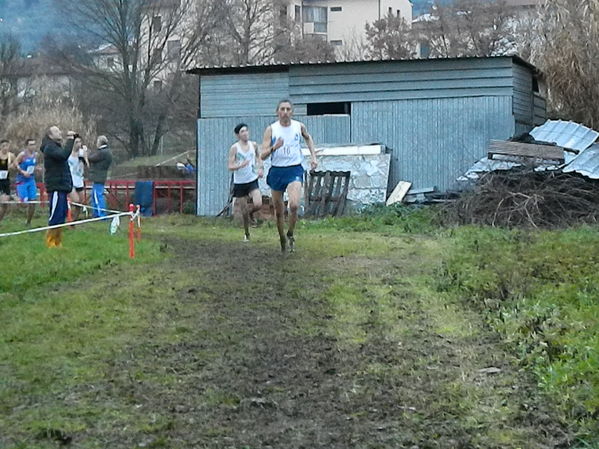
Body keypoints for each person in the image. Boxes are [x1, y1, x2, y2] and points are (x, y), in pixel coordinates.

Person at [261, 100, 318, 252]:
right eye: (282, 109)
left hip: (294, 169)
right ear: (277, 112)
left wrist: (313, 157)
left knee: (293, 205)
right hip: (277, 171)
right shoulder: (271, 129)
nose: (285, 112)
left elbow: (308, 138)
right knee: (279, 211)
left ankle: (290, 233)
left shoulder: (298, 126)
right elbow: (262, 155)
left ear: (292, 112)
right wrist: (274, 147)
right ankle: (281, 239)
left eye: (288, 109)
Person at [228, 123, 263, 241]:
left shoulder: (254, 145)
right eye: (242, 131)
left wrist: (260, 168)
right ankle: (247, 233)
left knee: (258, 203)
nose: (245, 133)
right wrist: (240, 165)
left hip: (252, 179)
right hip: (240, 182)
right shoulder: (234, 148)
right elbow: (230, 166)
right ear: (238, 135)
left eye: (246, 131)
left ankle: (252, 213)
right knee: (243, 210)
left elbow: (259, 157)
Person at [41, 126, 75, 247]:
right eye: (56, 131)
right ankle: (50, 242)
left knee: (61, 214)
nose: (59, 132)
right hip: (55, 186)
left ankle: (57, 241)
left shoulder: (56, 147)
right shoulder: (50, 148)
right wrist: (71, 139)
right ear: (50, 136)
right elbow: (64, 155)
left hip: (62, 186)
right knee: (55, 214)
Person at [13, 138, 40, 225]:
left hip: (31, 180)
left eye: (34, 144)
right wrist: (22, 171)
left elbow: (34, 166)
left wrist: (37, 169)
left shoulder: (36, 155)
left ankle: (28, 222)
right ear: (27, 146)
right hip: (22, 181)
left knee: (33, 202)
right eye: (31, 145)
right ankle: (14, 197)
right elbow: (15, 163)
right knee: (24, 204)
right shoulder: (22, 155)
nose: (33, 146)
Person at [88, 135, 113, 218]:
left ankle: (101, 214)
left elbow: (91, 158)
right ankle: (96, 213)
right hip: (101, 177)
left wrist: (86, 154)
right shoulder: (107, 152)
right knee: (95, 195)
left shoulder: (102, 152)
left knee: (97, 196)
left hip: (98, 177)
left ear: (100, 142)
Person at [67, 135, 89, 221]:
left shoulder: (82, 153)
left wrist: (84, 158)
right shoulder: (68, 153)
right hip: (70, 179)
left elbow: (87, 165)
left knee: (80, 202)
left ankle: (74, 221)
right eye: (76, 142)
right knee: (75, 200)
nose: (78, 144)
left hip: (79, 179)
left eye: (79, 142)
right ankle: (68, 215)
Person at [0, 139, 16, 222]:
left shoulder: (11, 156)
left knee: (5, 205)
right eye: (3, 146)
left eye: (7, 146)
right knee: (3, 201)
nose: (5, 148)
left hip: (6, 181)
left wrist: (12, 166)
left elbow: (16, 166)